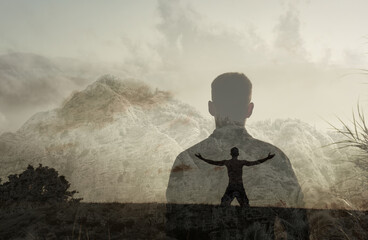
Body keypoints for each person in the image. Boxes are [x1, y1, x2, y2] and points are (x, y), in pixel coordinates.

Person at [166, 72, 309, 239]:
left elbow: (174, 230)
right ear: (249, 110)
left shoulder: (186, 160)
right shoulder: (277, 159)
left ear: (211, 108)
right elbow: (299, 229)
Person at [195, 147, 275, 207]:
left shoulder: (228, 162)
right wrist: (267, 158)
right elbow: (255, 162)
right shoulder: (241, 162)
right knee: (245, 205)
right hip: (239, 185)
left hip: (232, 185)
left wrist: (202, 158)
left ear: (231, 154)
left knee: (225, 204)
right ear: (238, 154)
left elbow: (213, 162)